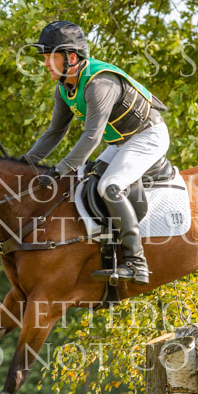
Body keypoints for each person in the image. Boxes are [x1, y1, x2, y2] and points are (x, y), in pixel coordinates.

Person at [25, 21, 170, 285]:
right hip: (121, 143)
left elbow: (92, 136)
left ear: (71, 57)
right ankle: (107, 253)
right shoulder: (64, 88)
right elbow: (54, 132)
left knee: (109, 187)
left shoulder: (99, 83)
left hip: (148, 136)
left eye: (50, 56)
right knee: (85, 183)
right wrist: (27, 162)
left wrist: (60, 169)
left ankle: (137, 263)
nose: (45, 63)